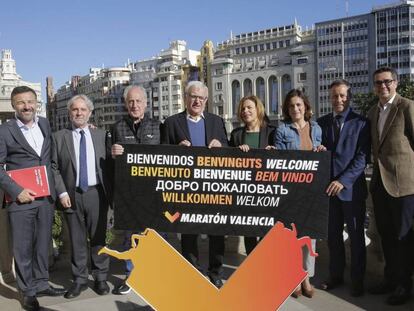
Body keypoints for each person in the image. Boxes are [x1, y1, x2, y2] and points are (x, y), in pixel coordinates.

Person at [0, 86, 65, 311]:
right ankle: (27, 292)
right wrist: (17, 191)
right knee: (22, 247)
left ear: (37, 103)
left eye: (30, 101)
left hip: (45, 197)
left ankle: (41, 283)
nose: (27, 106)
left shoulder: (45, 124)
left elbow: (49, 159)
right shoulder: (5, 131)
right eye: (21, 102)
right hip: (20, 200)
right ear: (13, 105)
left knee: (42, 243)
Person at [161, 81, 228, 288]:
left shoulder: (217, 121)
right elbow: (162, 152)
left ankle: (215, 272)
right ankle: (192, 272)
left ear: (206, 101)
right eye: (193, 96)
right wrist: (175, 149)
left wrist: (221, 146)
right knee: (188, 233)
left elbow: (228, 148)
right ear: (185, 98)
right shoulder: (172, 122)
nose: (197, 100)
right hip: (186, 189)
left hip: (213, 187)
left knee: (217, 233)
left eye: (201, 97)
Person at [51, 95, 112, 299]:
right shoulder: (59, 137)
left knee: (98, 238)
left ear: (90, 113)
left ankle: (101, 277)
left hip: (97, 194)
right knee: (77, 240)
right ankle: (79, 280)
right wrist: (61, 192)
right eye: (75, 110)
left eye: (83, 109)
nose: (79, 113)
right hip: (71, 194)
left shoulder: (102, 135)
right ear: (69, 113)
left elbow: (111, 165)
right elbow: (54, 168)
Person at [317, 80, 370, 297]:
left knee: (357, 238)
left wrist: (343, 181)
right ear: (330, 98)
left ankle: (358, 280)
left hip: (351, 191)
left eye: (342, 96)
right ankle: (335, 276)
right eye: (335, 96)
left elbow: (362, 158)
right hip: (328, 192)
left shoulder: (362, 123)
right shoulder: (321, 123)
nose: (338, 100)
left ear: (349, 97)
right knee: (333, 238)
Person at [367, 67, 414, 305]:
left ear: (395, 83)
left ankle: (404, 286)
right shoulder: (373, 111)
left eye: (386, 81)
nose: (382, 86)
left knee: (403, 238)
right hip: (380, 185)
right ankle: (391, 279)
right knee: (386, 236)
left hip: (405, 186)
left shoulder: (407, 106)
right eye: (377, 83)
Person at [274, 89, 325, 299]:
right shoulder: (282, 130)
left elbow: (319, 160)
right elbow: (279, 160)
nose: (295, 109)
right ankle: (293, 278)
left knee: (309, 238)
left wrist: (320, 151)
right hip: (291, 191)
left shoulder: (316, 129)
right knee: (291, 238)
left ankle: (306, 278)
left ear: (306, 107)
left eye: (298, 105)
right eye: (291, 106)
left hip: (311, 191)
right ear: (287, 109)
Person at [110, 85, 161, 295]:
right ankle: (132, 277)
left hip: (153, 193)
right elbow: (109, 159)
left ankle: (156, 276)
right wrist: (112, 153)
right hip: (128, 195)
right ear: (125, 104)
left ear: (146, 103)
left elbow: (169, 159)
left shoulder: (159, 126)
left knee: (155, 237)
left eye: (139, 101)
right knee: (130, 237)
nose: (135, 105)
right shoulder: (117, 127)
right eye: (131, 101)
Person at [229, 95, 275, 255]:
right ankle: (252, 265)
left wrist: (274, 154)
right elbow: (227, 164)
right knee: (248, 231)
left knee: (266, 232)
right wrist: (237, 153)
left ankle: (264, 264)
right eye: (243, 108)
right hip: (245, 192)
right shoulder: (236, 135)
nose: (245, 111)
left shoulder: (272, 133)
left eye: (249, 107)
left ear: (258, 110)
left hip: (266, 192)